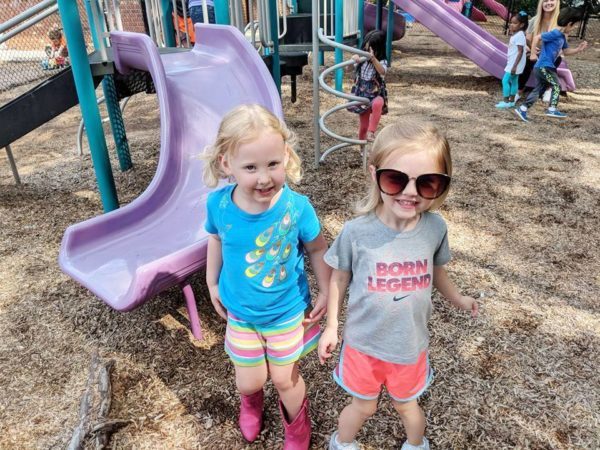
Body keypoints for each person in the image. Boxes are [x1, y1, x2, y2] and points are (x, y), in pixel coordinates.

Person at [318, 119, 479, 450]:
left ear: (441, 186)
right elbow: (339, 277)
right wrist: (331, 325)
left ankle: (416, 445)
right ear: (374, 174)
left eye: (428, 183)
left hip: (409, 347)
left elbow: (438, 272)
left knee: (407, 406)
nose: (410, 192)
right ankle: (342, 443)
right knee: (363, 405)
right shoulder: (356, 232)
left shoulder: (434, 228)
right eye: (395, 179)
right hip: (363, 346)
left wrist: (459, 299)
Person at [202, 104, 331, 449]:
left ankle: (296, 424)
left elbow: (318, 249)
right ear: (226, 164)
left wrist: (325, 289)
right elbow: (215, 239)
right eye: (250, 167)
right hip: (241, 314)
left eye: (273, 164)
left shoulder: (297, 208)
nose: (263, 177)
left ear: (286, 156)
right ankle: (251, 402)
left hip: (286, 313)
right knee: (249, 380)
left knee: (285, 380)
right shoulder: (219, 206)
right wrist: (211, 282)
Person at [515, 7, 588, 121]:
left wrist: (578, 49)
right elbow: (537, 37)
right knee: (556, 86)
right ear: (569, 24)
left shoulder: (562, 37)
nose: (574, 28)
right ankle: (552, 109)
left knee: (539, 90)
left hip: (548, 67)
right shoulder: (555, 33)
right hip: (544, 66)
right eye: (574, 26)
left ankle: (523, 109)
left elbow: (566, 51)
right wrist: (533, 53)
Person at [347, 30, 389, 143]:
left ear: (378, 49)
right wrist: (352, 60)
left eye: (370, 49)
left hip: (375, 93)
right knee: (363, 126)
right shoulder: (362, 59)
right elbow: (347, 69)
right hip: (362, 93)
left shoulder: (381, 61)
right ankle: (362, 147)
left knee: (378, 102)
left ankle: (371, 132)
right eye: (365, 48)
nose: (367, 51)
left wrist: (373, 59)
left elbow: (382, 71)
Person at [517, 0, 561, 100]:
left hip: (551, 53)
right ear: (541, 3)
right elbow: (528, 40)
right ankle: (518, 91)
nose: (548, 3)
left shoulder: (560, 22)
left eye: (552, 0)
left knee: (554, 60)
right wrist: (532, 49)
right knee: (527, 59)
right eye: (545, 1)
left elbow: (561, 44)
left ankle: (548, 89)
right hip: (535, 51)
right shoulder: (534, 20)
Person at [496, 12, 528, 108]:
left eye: (515, 23)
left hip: (515, 64)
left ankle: (506, 102)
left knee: (505, 81)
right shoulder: (517, 34)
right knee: (514, 81)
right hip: (514, 62)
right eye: (511, 22)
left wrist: (514, 66)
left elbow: (520, 51)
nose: (511, 25)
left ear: (521, 25)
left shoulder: (520, 35)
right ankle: (511, 101)